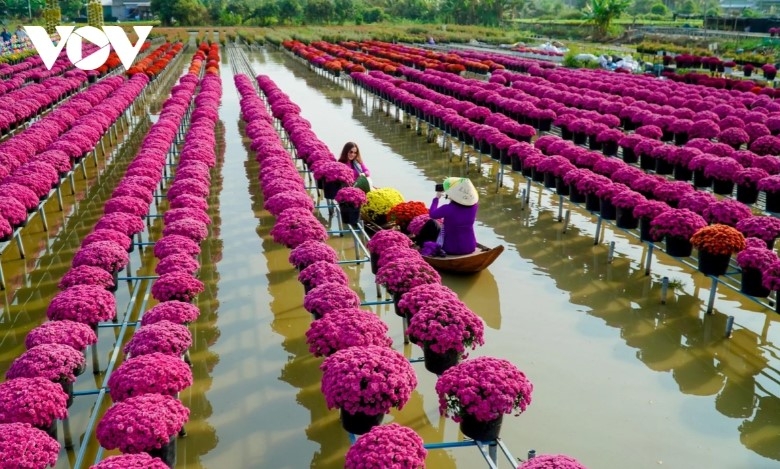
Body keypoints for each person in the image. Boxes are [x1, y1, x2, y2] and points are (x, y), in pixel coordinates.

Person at [428, 177, 479, 255]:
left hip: (451, 249)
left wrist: (436, 198)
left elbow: (432, 214)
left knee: (431, 223)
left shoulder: (447, 208)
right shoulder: (474, 206)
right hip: (470, 247)